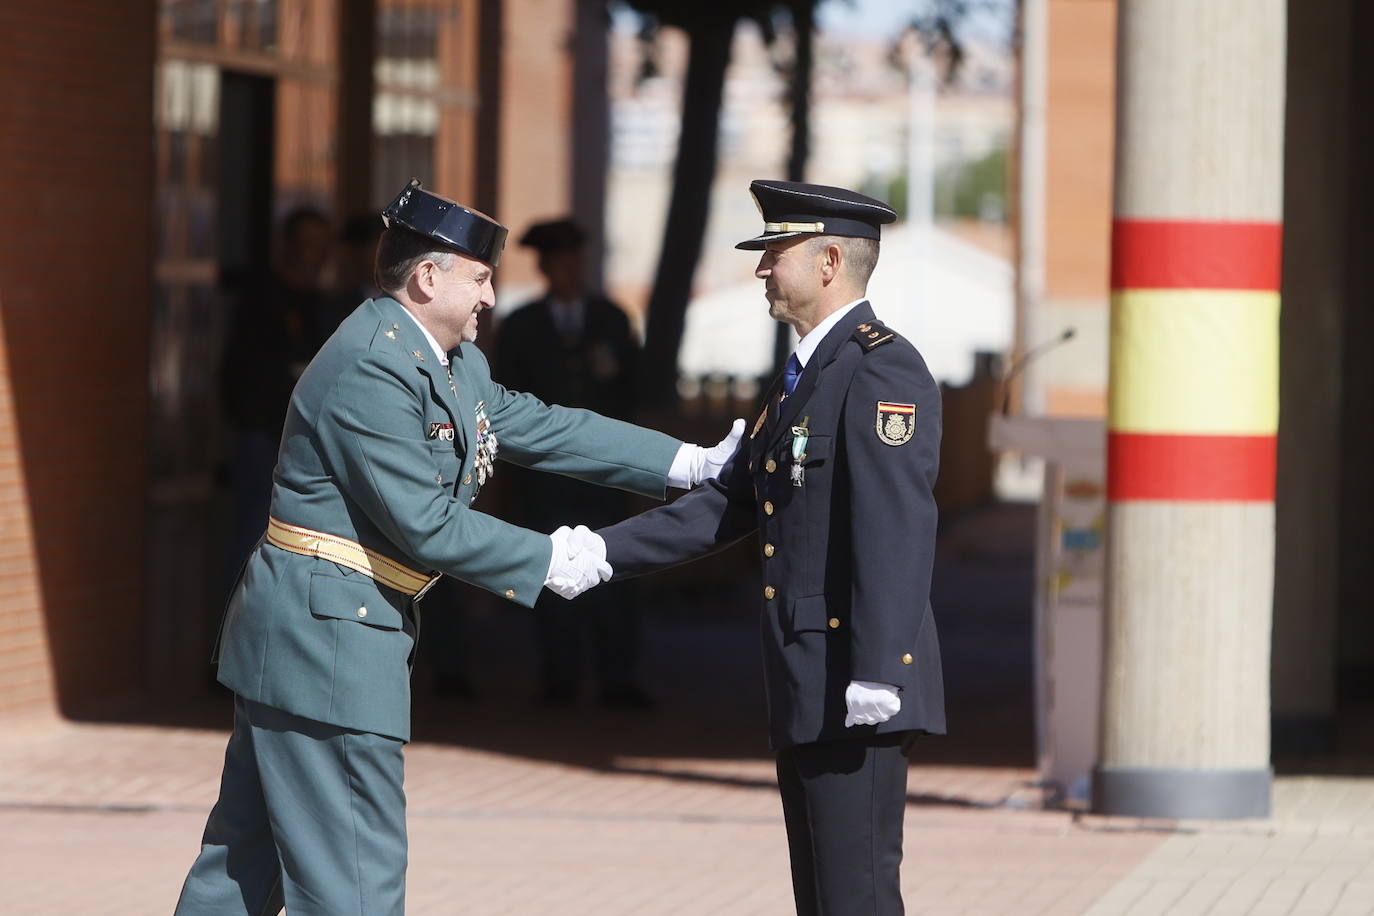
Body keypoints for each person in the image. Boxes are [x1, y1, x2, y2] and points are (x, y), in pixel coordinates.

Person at [175, 179, 742, 915]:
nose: (491, 298)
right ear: (427, 276)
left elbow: (541, 425)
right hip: (328, 644)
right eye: (479, 277)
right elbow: (424, 523)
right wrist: (555, 561)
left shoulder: (448, 358)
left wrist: (688, 464)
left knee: (239, 876)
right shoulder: (372, 366)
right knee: (354, 881)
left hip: (316, 638)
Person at [588, 179, 945, 915]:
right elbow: (731, 505)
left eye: (774, 253)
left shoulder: (878, 367)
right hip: (808, 678)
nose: (760, 270)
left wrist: (879, 670)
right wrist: (596, 553)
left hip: (854, 681)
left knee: (858, 898)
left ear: (828, 262)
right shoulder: (805, 378)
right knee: (821, 898)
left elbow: (895, 528)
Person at [494, 218, 648, 706]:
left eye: (574, 262)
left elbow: (631, 393)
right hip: (545, 478)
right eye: (557, 262)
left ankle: (617, 678)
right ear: (543, 267)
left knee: (612, 570)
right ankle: (560, 677)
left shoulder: (611, 319)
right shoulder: (521, 325)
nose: (567, 271)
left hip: (604, 476)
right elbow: (505, 402)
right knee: (552, 574)